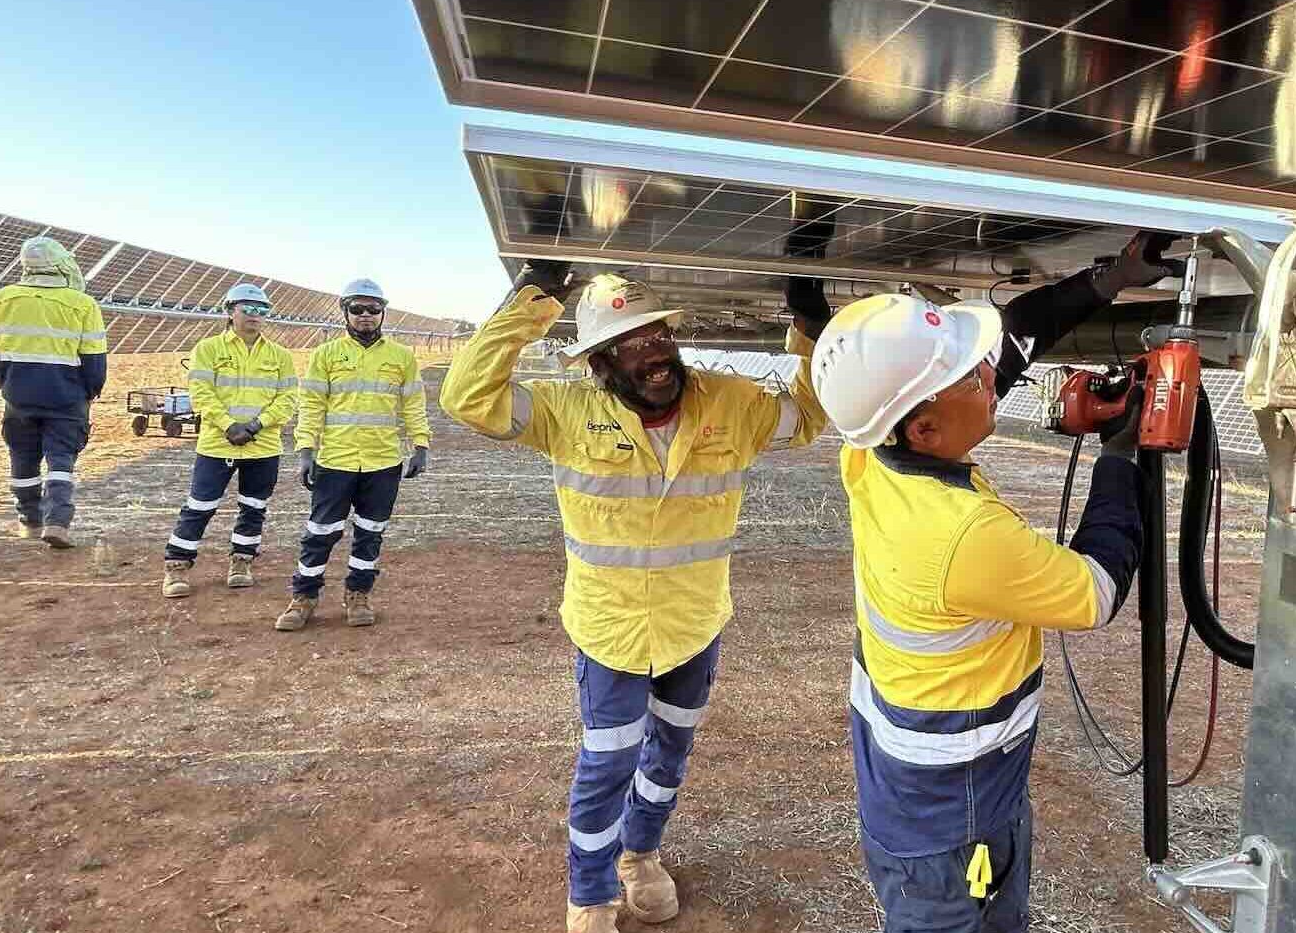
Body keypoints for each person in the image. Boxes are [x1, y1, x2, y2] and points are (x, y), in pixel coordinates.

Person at [439, 266, 831, 933]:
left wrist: (808, 327)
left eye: (655, 334)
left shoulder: (732, 403)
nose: (649, 351)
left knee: (669, 756)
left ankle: (641, 854)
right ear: (598, 363)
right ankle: (589, 894)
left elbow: (812, 414)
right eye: (626, 342)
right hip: (610, 630)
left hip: (695, 624)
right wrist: (532, 299)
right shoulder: (565, 413)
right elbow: (467, 397)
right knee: (608, 763)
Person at [809, 234, 1168, 933]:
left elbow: (1015, 342)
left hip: (910, 787)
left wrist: (1109, 280)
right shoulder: (962, 535)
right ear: (926, 427)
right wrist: (1120, 457)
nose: (989, 374)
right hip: (955, 811)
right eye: (970, 376)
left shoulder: (871, 456)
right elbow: (1095, 590)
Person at [275, 279, 431, 632]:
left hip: (383, 461)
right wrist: (305, 451)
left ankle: (358, 595)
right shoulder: (325, 355)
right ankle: (304, 597)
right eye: (357, 309)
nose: (365, 316)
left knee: (370, 531)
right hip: (335, 460)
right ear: (345, 311)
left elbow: (413, 404)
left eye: (373, 309)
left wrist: (420, 444)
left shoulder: (402, 357)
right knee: (321, 532)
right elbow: (312, 405)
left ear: (382, 313)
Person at [160, 283, 299, 597]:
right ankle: (177, 565)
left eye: (262, 310)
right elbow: (201, 393)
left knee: (253, 507)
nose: (256, 315)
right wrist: (228, 425)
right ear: (230, 311)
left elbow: (289, 397)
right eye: (248, 309)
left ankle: (242, 561)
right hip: (217, 443)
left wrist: (255, 425)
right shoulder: (208, 349)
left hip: (262, 445)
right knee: (200, 505)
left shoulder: (280, 356)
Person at [0, 236, 108, 548]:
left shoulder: (1, 299)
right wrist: (89, 391)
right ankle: (57, 521)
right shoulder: (82, 304)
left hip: (19, 395)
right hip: (66, 397)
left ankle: (29, 520)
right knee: (61, 460)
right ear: (61, 264)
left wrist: (7, 380)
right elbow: (94, 360)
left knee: (22, 458)